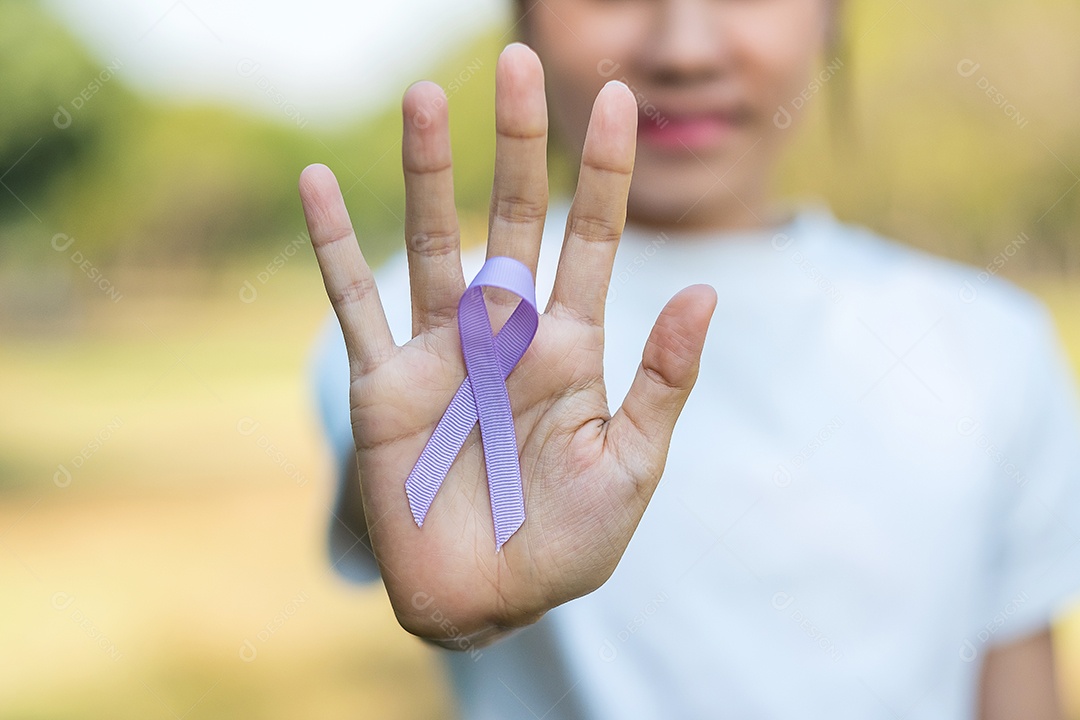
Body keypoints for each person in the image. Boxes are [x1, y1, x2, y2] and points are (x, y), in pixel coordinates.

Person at [299, 1, 1080, 717]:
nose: (684, 50)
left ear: (831, 16)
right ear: (524, 15)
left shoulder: (991, 345)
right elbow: (403, 519)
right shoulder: (426, 333)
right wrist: (449, 579)